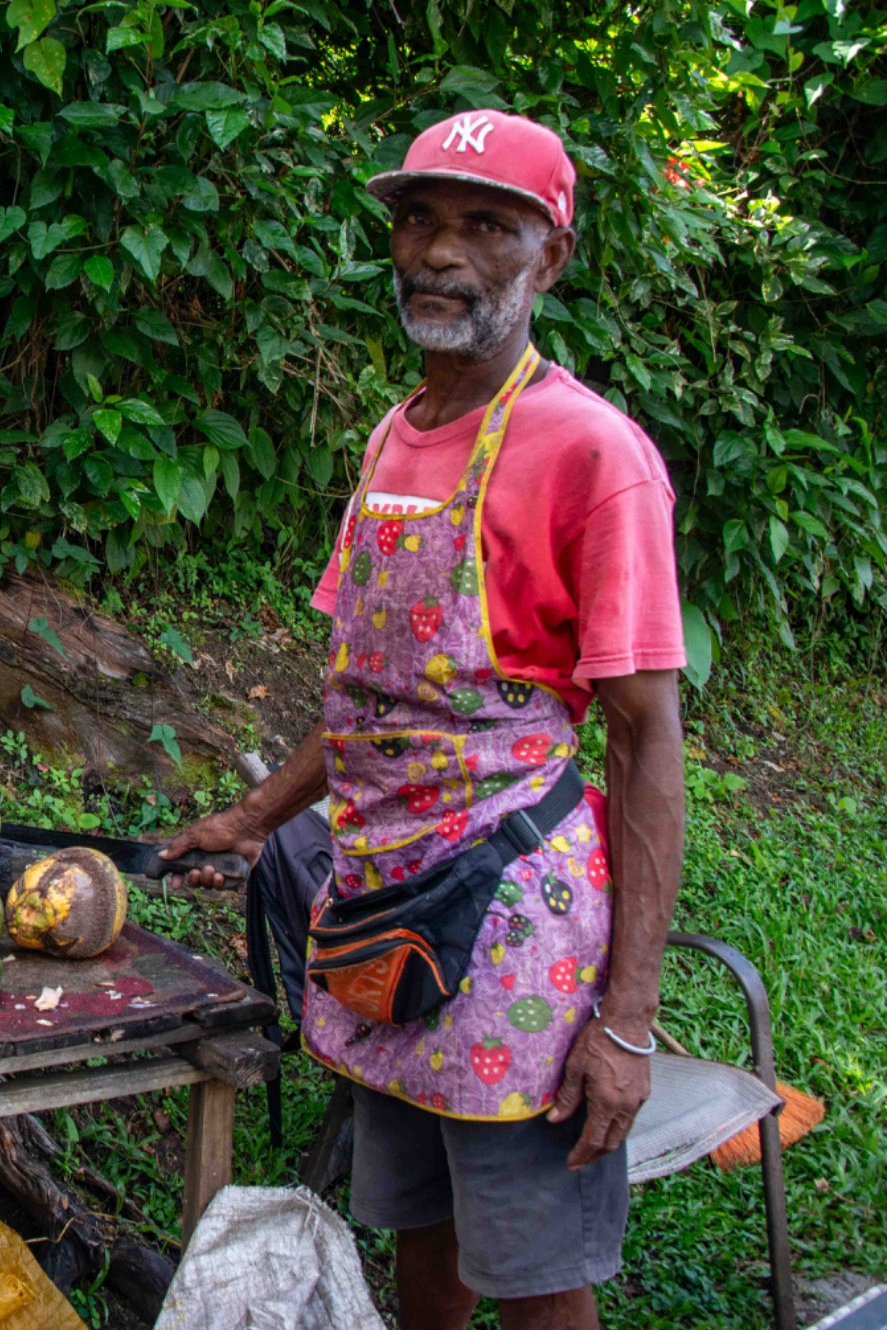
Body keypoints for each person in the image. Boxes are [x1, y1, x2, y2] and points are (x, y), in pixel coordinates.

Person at [161, 110, 687, 1330]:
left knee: (533, 1267)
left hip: (511, 924)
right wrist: (250, 818)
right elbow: (366, 693)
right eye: (418, 220)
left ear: (546, 259)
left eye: (483, 227)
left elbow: (643, 739)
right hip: (380, 905)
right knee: (419, 1225)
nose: (437, 254)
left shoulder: (592, 456)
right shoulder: (394, 433)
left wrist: (628, 1019)